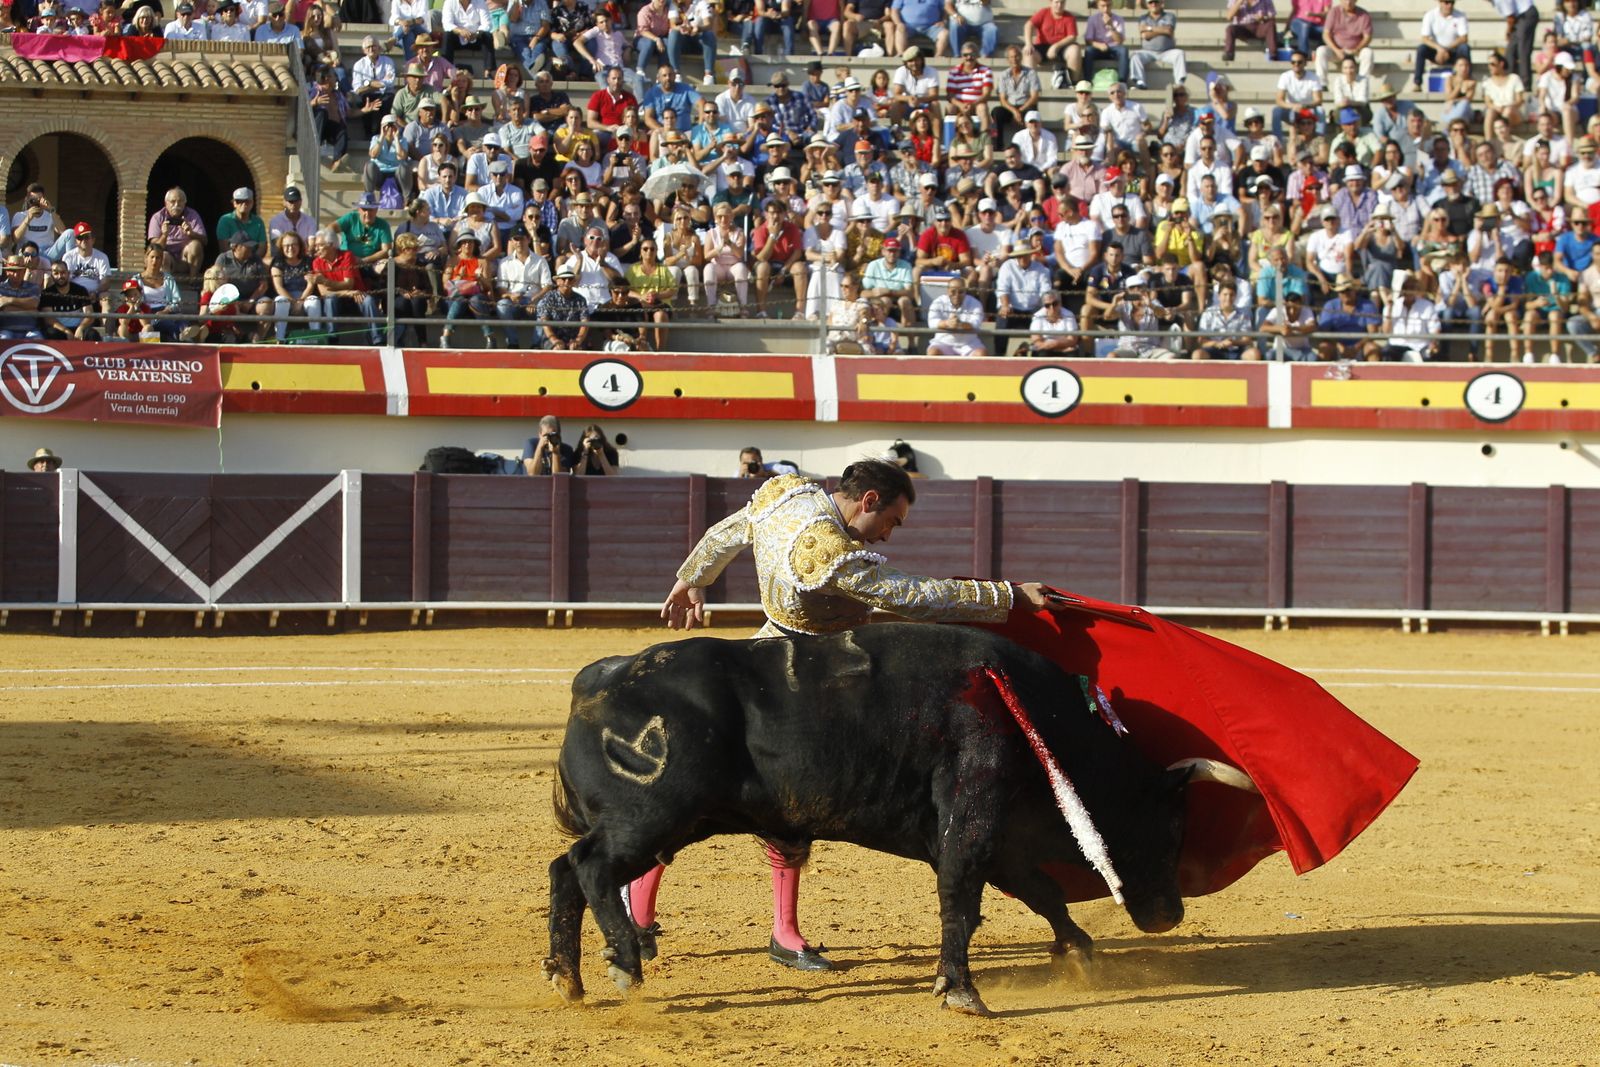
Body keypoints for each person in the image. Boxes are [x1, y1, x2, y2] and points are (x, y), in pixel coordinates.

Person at [644, 458, 1068, 970]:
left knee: (752, 801)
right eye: (891, 521)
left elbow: (726, 533)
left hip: (764, 660)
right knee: (748, 799)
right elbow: (910, 596)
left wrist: (692, 578)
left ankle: (771, 930)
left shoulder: (786, 492)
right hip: (803, 680)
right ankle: (653, 912)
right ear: (868, 501)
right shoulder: (826, 550)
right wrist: (1007, 596)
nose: (887, 536)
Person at [1130, 0, 1186, 92]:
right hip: (1147, 52)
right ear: (1147, 4)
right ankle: (1140, 81)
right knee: (1135, 56)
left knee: (1179, 54)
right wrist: (1161, 31)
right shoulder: (1143, 18)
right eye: (1150, 2)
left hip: (1167, 51)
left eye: (1156, 2)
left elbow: (1169, 31)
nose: (1154, 4)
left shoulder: (1169, 16)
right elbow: (1144, 36)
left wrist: (1149, 29)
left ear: (1161, 3)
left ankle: (1180, 83)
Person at [925, 275, 987, 355]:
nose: (957, 295)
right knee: (933, 352)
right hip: (943, 342)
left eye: (961, 292)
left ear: (965, 291)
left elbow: (976, 324)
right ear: (947, 291)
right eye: (953, 291)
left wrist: (960, 325)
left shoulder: (975, 303)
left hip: (969, 343)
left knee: (981, 354)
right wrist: (947, 323)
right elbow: (932, 322)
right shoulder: (938, 302)